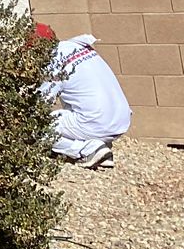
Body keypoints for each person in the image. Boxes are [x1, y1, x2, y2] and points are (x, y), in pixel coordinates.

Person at [35, 23, 130, 169]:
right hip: (122, 119)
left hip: (96, 122)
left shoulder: (52, 61)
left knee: (37, 126)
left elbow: (40, 104)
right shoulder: (77, 46)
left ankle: (89, 150)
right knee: (73, 105)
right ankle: (99, 144)